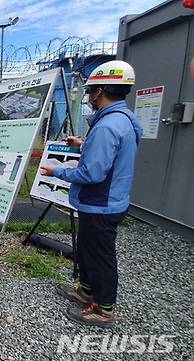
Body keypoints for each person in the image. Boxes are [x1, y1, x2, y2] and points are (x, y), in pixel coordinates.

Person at [40, 60, 143, 328]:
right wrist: (84, 143)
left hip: (101, 203)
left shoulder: (107, 126)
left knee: (100, 256)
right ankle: (85, 290)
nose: (88, 96)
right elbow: (110, 152)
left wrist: (57, 172)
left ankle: (104, 309)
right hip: (106, 202)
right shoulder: (122, 121)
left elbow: (91, 174)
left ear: (100, 91)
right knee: (86, 249)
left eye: (91, 91)